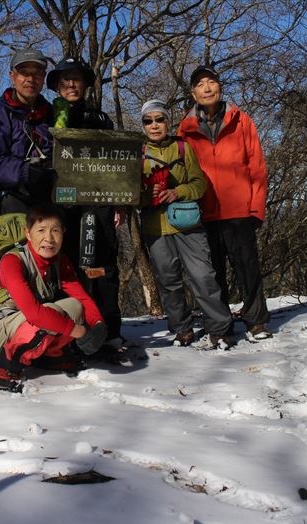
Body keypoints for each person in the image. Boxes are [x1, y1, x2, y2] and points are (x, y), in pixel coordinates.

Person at [178, 65, 272, 340]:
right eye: (200, 84)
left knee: (247, 267)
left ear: (219, 87)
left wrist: (256, 207)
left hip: (239, 208)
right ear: (193, 92)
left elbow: (257, 166)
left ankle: (256, 321)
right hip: (203, 211)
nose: (207, 88)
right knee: (212, 273)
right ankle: (220, 325)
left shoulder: (241, 121)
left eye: (211, 82)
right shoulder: (186, 128)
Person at [46, 57, 128, 351]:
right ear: (56, 85)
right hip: (64, 209)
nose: (71, 84)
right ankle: (73, 333)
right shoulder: (47, 119)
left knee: (103, 268)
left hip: (99, 205)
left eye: (77, 79)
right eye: (65, 79)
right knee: (68, 271)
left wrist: (120, 204)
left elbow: (119, 166)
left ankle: (109, 328)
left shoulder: (100, 119)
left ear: (86, 85)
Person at [0, 204, 107, 391]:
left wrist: (98, 325)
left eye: (55, 230)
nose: (49, 238)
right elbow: (34, 313)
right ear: (28, 233)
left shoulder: (59, 261)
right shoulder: (13, 261)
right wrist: (78, 331)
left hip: (28, 322)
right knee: (51, 314)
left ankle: (51, 356)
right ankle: (6, 364)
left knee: (75, 306)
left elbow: (82, 298)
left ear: (63, 232)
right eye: (41, 230)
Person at [139, 99, 233, 349]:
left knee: (203, 276)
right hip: (155, 227)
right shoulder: (136, 153)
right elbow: (130, 194)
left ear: (168, 122)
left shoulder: (183, 148)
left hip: (187, 224)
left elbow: (199, 184)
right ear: (143, 126)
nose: (155, 125)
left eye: (160, 119)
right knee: (168, 281)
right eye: (148, 121)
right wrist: (149, 195)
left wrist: (177, 191)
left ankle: (219, 328)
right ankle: (181, 329)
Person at [0, 48, 54, 214]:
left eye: (37, 73)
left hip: (49, 199)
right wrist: (25, 171)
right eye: (24, 73)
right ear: (12, 77)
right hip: (11, 200)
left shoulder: (52, 114)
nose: (30, 79)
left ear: (43, 78)